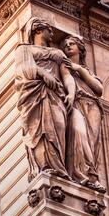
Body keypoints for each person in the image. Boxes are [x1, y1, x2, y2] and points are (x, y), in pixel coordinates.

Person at [15, 17, 75, 181]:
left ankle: (59, 168)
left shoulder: (58, 53)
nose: (53, 33)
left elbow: (67, 76)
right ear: (38, 29)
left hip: (57, 96)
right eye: (49, 29)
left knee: (59, 127)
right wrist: (43, 73)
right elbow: (23, 69)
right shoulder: (24, 50)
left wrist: (71, 93)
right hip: (35, 95)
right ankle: (46, 167)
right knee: (40, 131)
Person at [60, 35, 106, 193]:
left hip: (93, 105)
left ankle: (91, 175)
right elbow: (67, 80)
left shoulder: (86, 70)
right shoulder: (64, 65)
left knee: (92, 142)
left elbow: (99, 89)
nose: (68, 46)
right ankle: (83, 175)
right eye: (65, 44)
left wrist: (79, 69)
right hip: (76, 104)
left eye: (71, 43)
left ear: (80, 48)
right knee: (79, 134)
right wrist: (71, 95)